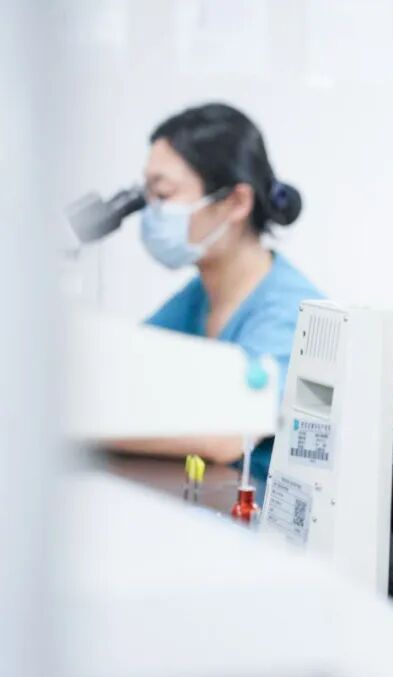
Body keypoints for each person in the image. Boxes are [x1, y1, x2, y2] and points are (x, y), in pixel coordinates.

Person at [110, 103, 323, 488]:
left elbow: (228, 434)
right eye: (147, 194)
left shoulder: (291, 313)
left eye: (163, 193)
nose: (150, 211)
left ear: (236, 202)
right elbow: (126, 371)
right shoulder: (199, 297)